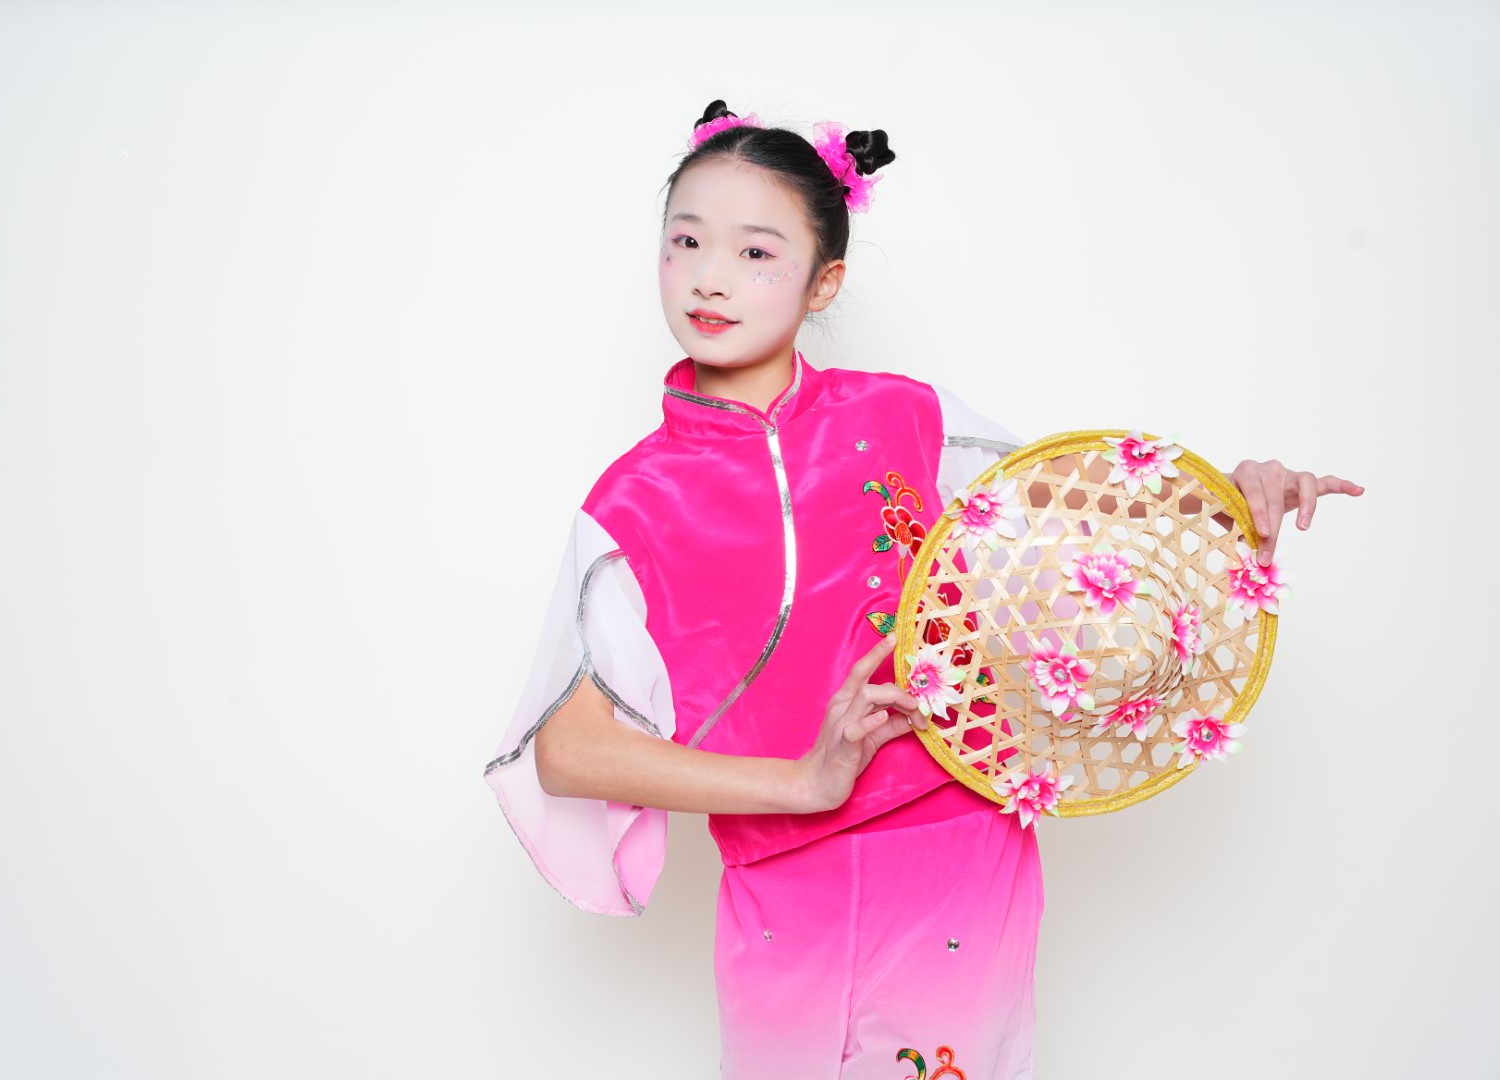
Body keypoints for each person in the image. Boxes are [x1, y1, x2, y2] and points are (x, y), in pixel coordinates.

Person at [482, 99, 1363, 1079]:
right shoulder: (631, 500)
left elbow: (1086, 533)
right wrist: (800, 782)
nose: (709, 276)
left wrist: (1227, 501)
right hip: (778, 879)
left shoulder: (911, 420)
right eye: (685, 241)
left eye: (756, 251)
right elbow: (568, 750)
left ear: (825, 280)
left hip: (957, 845)